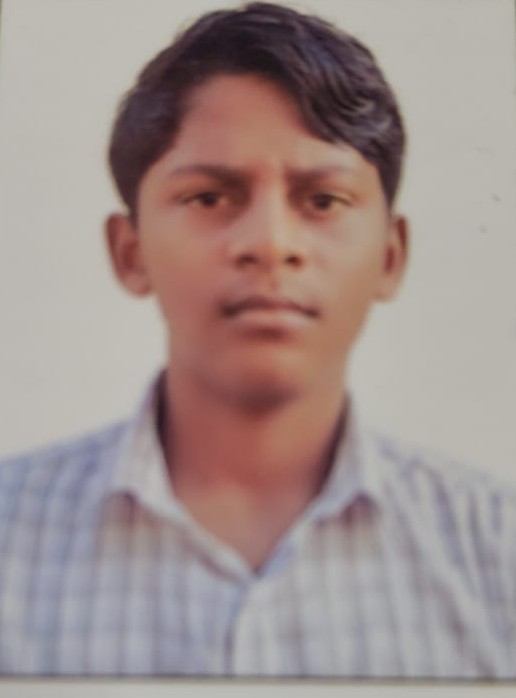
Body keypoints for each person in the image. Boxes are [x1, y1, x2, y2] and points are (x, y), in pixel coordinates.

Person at [0, 1, 514, 678]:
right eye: (210, 197)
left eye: (323, 200)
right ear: (130, 252)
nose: (270, 244)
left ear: (391, 256)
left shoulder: (495, 553)